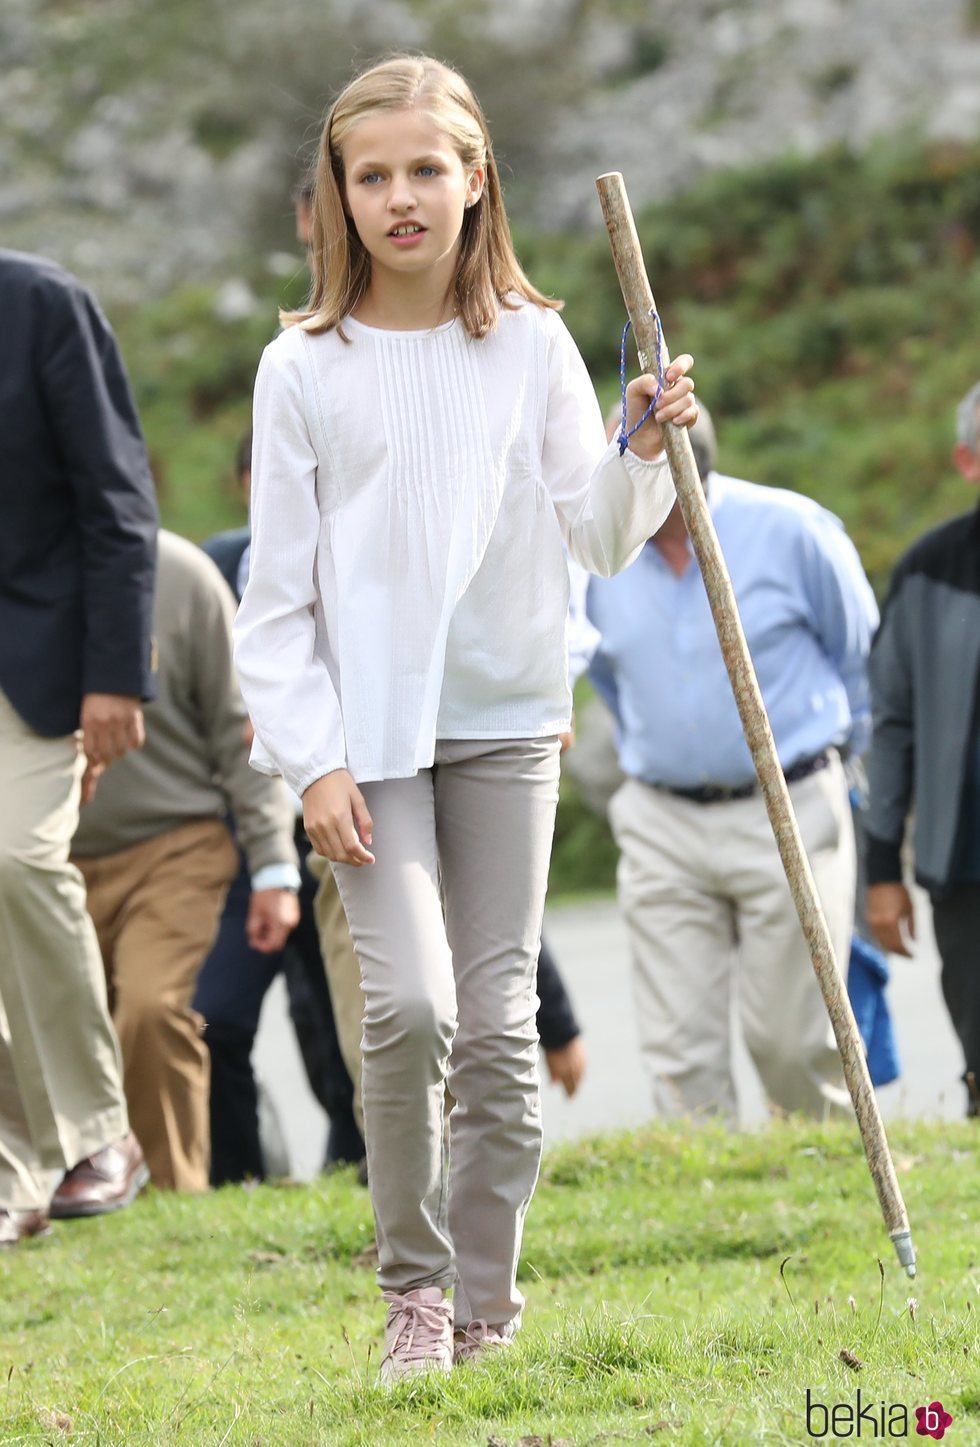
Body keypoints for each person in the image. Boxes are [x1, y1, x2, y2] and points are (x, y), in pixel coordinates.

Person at [232, 55, 698, 1382]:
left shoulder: (534, 343)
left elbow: (600, 538)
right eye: (370, 175)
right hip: (365, 740)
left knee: (497, 1024)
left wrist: (645, 447)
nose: (400, 197)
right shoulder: (300, 364)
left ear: (475, 178)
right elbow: (273, 603)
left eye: (426, 168)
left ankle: (485, 1305)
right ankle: (413, 1293)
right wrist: (309, 761)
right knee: (411, 1009)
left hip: (503, 720)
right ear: (336, 196)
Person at [587, 404, 879, 1124]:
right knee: (680, 1049)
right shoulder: (598, 557)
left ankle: (822, 1169)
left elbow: (860, 661)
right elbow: (608, 680)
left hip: (790, 802)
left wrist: (846, 768)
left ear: (687, 470)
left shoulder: (793, 531)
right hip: (662, 814)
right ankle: (708, 1196)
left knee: (794, 1038)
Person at [0, 249, 157, 1245]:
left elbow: (117, 498)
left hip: (40, 660)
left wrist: (115, 672)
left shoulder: (42, 304)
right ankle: (17, 1164)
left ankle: (101, 1130)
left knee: (15, 859)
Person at [70, 530, 301, 1191]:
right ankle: (51, 1192)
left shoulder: (184, 576)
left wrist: (273, 866)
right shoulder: (27, 577)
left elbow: (242, 732)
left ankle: (176, 1193)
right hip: (50, 859)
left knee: (149, 1009)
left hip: (175, 846)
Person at [194, 432, 365, 1183]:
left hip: (345, 811)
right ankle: (248, 1173)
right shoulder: (214, 568)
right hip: (254, 834)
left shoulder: (353, 549)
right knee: (239, 1016)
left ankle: (354, 1150)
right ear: (243, 485)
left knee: (338, 1003)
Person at [865, 380, 980, 1119]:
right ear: (968, 461)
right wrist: (882, 869)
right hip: (965, 865)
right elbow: (892, 723)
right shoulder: (928, 571)